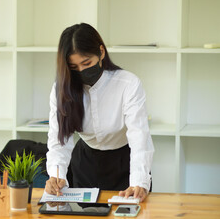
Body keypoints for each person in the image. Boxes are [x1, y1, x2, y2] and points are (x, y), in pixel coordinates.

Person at [44, 23, 154, 201]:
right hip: (85, 163)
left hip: (124, 162)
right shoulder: (62, 89)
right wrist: (56, 176)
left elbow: (139, 136)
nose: (81, 71)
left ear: (101, 52)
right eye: (74, 67)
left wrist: (139, 181)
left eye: (86, 63)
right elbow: (59, 139)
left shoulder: (128, 84)